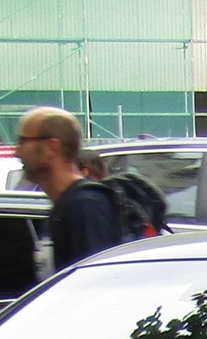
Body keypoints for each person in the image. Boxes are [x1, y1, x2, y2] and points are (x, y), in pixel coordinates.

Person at [17, 108, 130, 270]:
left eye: (23, 141)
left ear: (51, 147)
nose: (16, 152)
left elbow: (94, 282)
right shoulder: (64, 205)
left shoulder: (86, 206)